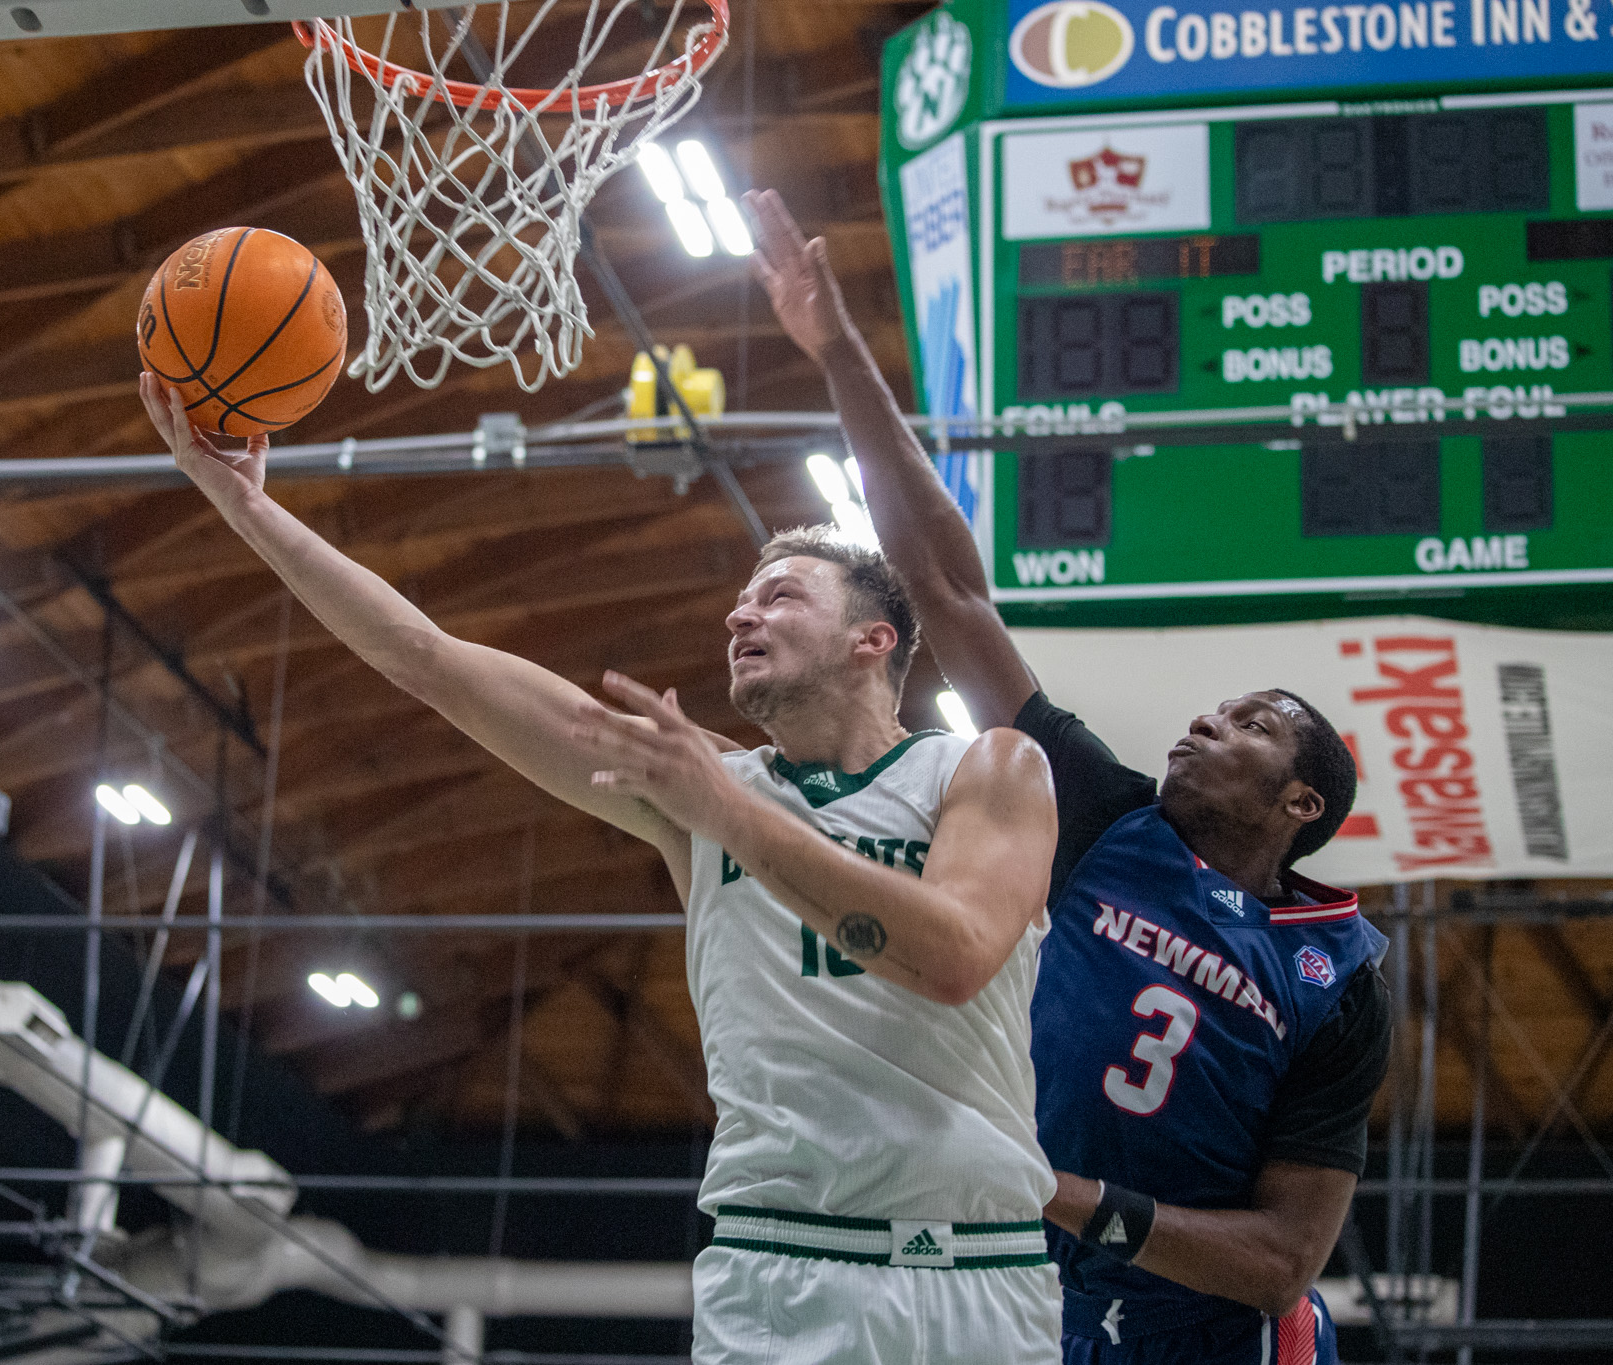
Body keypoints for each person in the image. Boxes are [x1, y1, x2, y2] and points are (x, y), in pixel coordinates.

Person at [139, 370, 1067, 1363]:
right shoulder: (694, 790)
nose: (736, 619)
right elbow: (428, 659)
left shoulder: (983, 769)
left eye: (778, 597)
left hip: (982, 1272)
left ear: (868, 641)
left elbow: (955, 956)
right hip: (782, 1270)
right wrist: (242, 504)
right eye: (737, 603)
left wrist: (726, 814)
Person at [744, 187, 1391, 1365]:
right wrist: (839, 354)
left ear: (1300, 805)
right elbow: (948, 591)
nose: (1207, 717)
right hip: (1013, 1296)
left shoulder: (1336, 978)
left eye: (1251, 722)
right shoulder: (1104, 814)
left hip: (1193, 1333)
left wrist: (1062, 1191)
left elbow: (1280, 1263)